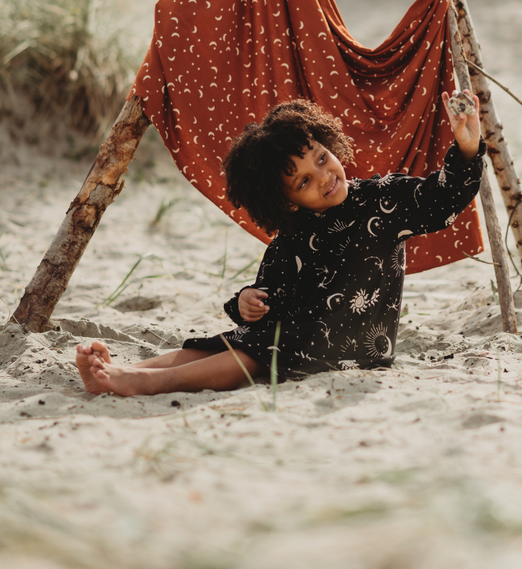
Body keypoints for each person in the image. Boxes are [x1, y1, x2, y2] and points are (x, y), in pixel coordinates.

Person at [76, 92, 485, 396]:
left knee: (260, 351)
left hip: (351, 345)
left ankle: (146, 382)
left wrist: (466, 148)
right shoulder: (292, 234)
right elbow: (269, 297)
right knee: (228, 342)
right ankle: (127, 368)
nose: (323, 176)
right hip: (293, 334)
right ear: (283, 202)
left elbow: (443, 199)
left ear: (330, 145)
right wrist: (246, 302)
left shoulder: (385, 199)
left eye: (322, 159)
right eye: (303, 181)